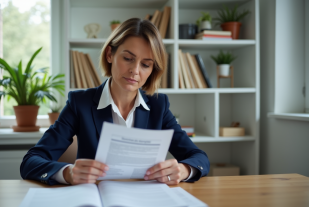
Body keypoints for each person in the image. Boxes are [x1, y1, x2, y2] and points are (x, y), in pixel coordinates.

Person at [20, 18, 210, 186]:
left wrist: (184, 170)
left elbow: (199, 157)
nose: (135, 70)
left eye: (145, 64)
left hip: (145, 205)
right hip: (95, 206)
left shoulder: (158, 106)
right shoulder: (80, 103)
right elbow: (31, 161)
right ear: (110, 54)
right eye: (128, 58)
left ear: (153, 70)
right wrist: (67, 173)